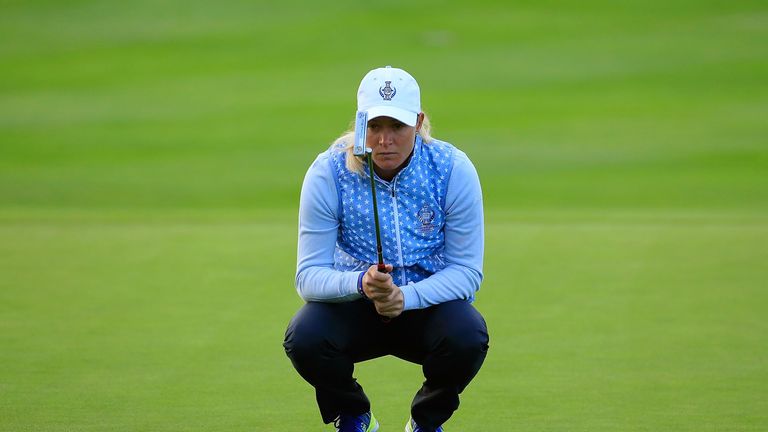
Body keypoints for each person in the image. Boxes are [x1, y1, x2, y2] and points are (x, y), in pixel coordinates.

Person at [283, 66, 489, 432]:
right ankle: (353, 414)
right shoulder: (328, 172)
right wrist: (361, 283)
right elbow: (307, 277)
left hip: (427, 306)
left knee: (467, 335)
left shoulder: (452, 168)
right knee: (305, 336)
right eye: (375, 126)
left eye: (397, 127)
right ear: (360, 123)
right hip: (356, 307)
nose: (384, 140)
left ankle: (425, 422)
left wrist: (405, 298)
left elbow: (467, 273)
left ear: (418, 122)